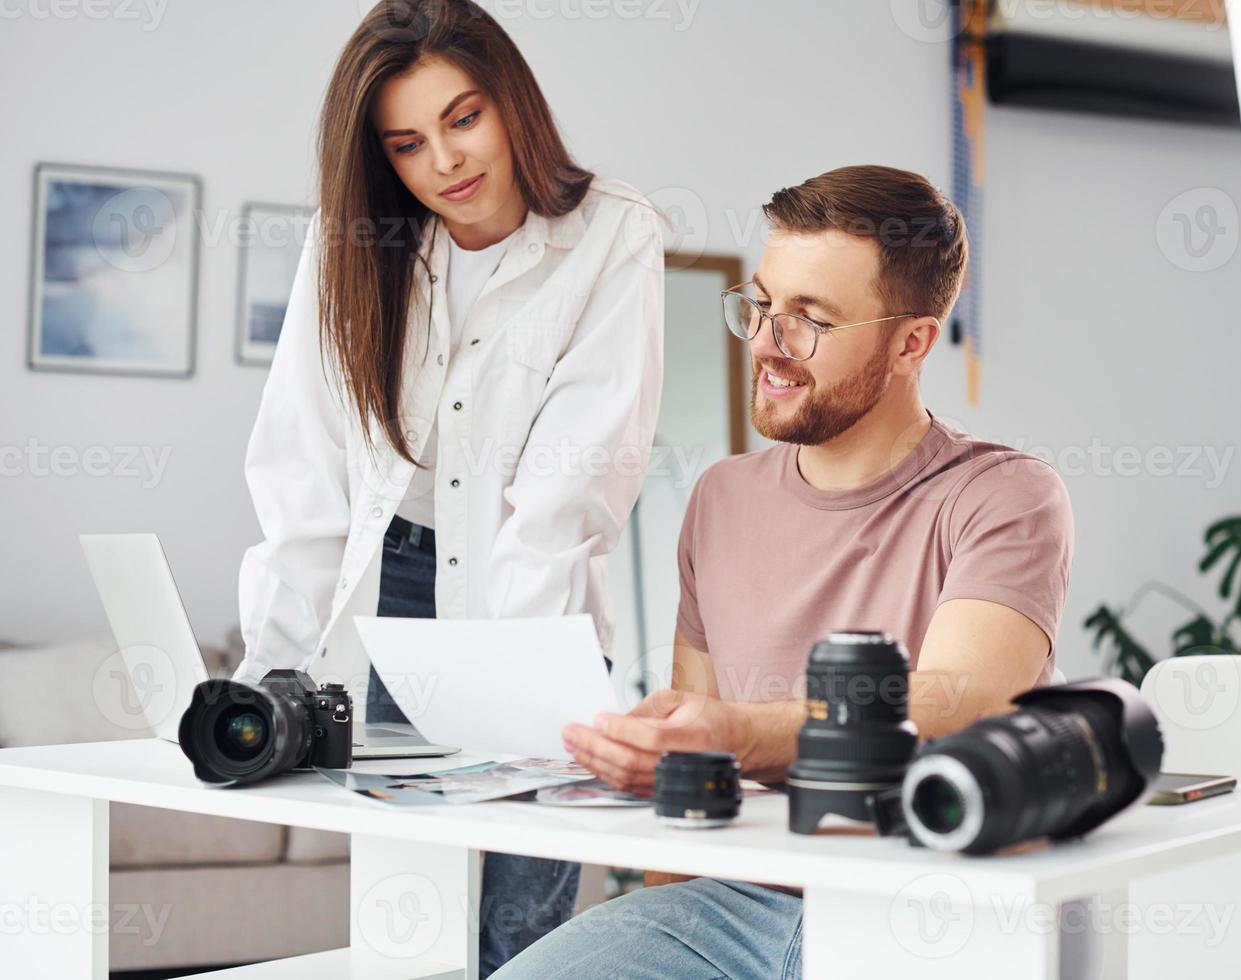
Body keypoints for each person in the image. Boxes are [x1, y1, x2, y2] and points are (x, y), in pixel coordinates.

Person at [496, 164, 1074, 979]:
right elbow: (688, 777)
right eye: (762, 304)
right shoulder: (720, 498)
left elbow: (960, 701)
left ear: (911, 342)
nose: (767, 343)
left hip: (924, 907)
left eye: (810, 320)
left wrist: (736, 735)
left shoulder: (1004, 494)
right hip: (731, 908)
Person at [233, 1, 663, 974]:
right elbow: (304, 472)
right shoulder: (350, 245)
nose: (445, 162)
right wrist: (272, 670)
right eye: (407, 142)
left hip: (530, 601)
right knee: (412, 933)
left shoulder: (611, 236)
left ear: (511, 101)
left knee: (521, 931)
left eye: (464, 117)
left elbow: (570, 487)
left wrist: (517, 696)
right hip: (387, 598)